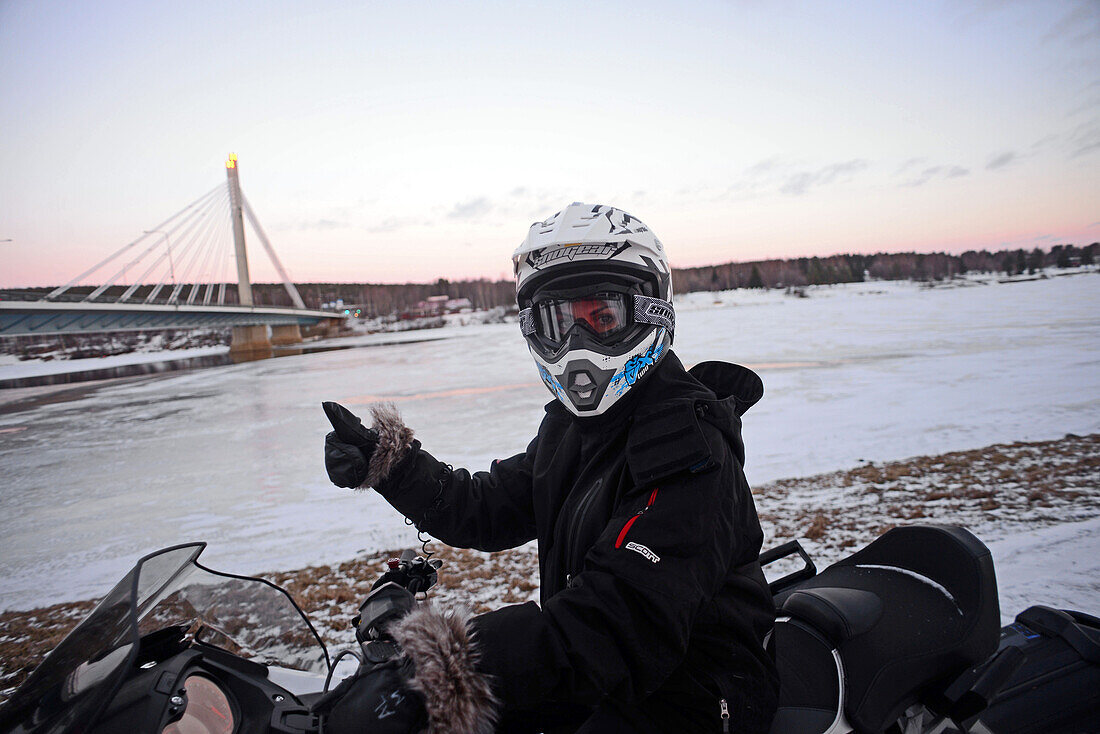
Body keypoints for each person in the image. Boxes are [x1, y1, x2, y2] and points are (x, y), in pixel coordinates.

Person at [322, 203, 778, 734]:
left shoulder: (688, 450)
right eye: (557, 323)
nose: (576, 347)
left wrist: (448, 668)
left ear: (651, 312)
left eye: (603, 319)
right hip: (605, 675)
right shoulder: (575, 426)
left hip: (696, 696)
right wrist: (395, 467)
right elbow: (493, 506)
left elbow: (616, 622)